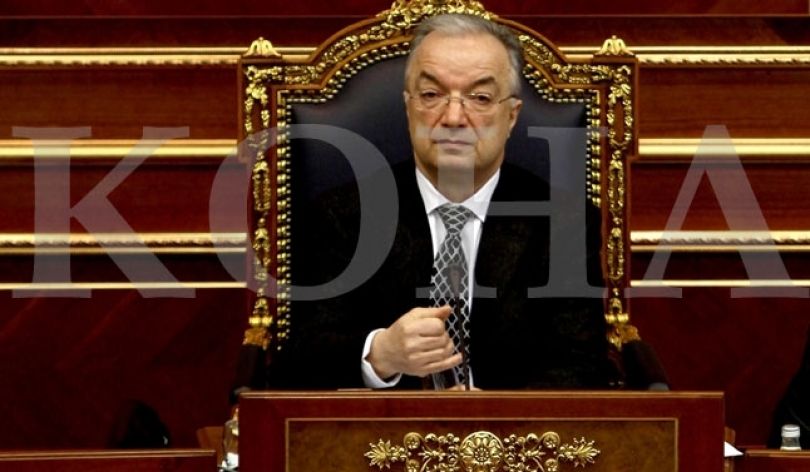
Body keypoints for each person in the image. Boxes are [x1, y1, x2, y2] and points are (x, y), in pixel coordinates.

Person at [269, 13, 616, 390]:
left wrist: (495, 413)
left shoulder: (563, 222)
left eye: (480, 98)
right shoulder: (341, 215)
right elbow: (299, 363)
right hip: (384, 426)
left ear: (511, 116)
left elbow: (583, 366)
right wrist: (379, 355)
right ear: (408, 107)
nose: (452, 117)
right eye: (431, 95)